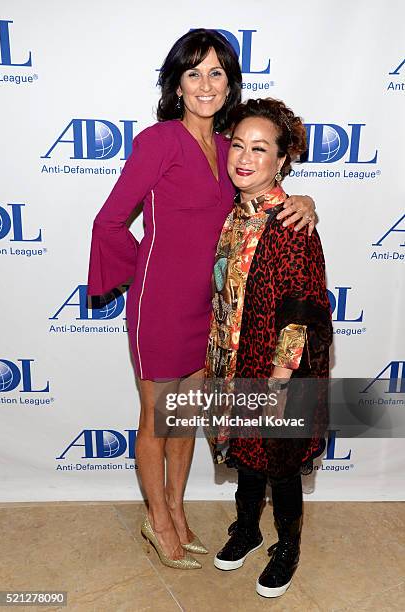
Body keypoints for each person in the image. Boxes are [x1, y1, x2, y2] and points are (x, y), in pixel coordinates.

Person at [87, 29, 316, 570]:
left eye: (217, 72)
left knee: (184, 419)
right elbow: (109, 221)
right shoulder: (157, 142)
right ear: (178, 84)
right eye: (194, 73)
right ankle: (158, 521)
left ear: (230, 82)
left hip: (210, 311)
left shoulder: (229, 146)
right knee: (155, 419)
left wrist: (304, 198)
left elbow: (263, 192)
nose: (206, 84)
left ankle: (179, 511)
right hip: (160, 305)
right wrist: (144, 270)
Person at [205, 97, 332, 595]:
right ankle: (248, 530)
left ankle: (288, 546)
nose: (244, 157)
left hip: (275, 371)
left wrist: (280, 382)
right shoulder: (234, 213)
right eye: (237, 145)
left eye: (260, 149)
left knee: (279, 463)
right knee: (246, 452)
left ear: (282, 160)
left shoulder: (291, 225)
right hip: (231, 362)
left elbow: (302, 313)